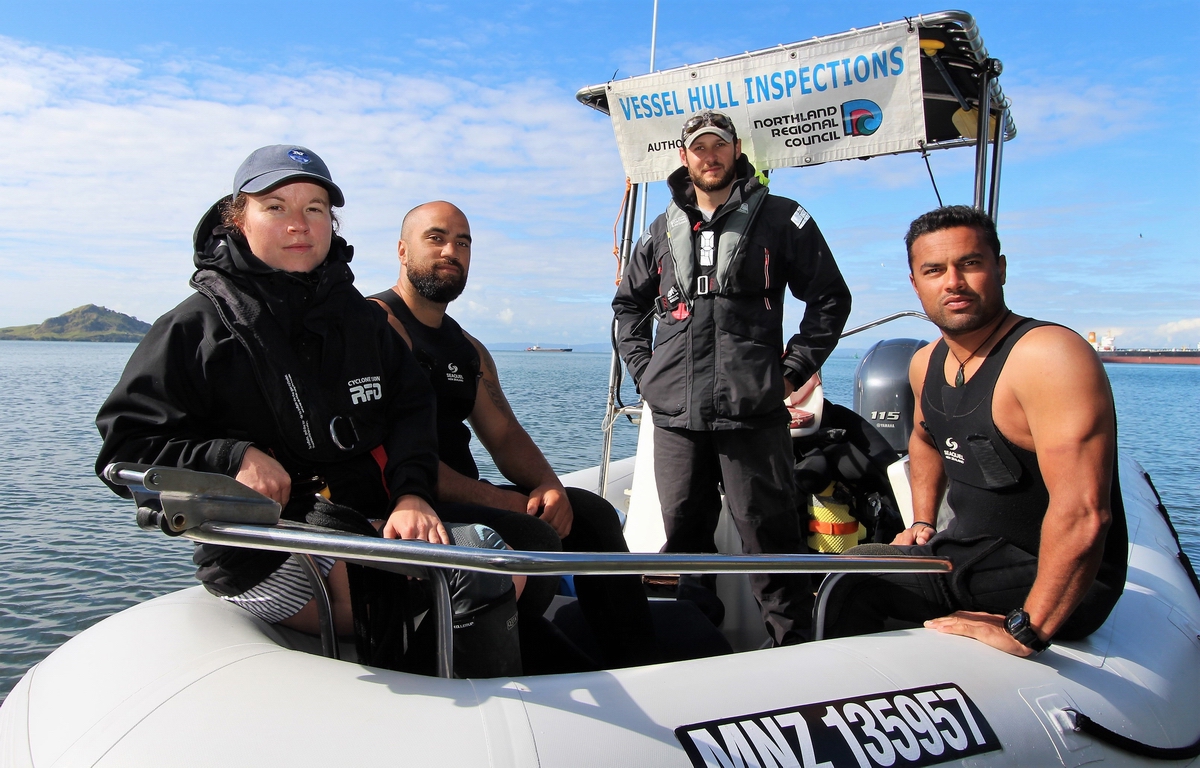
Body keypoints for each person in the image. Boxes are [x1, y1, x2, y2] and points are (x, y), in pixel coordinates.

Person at [95, 146, 521, 676]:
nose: (299, 224)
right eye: (276, 207)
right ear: (238, 217)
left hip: (366, 522)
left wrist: (413, 494)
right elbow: (124, 450)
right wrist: (231, 458)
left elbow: (414, 411)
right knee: (476, 566)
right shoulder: (194, 328)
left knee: (505, 559)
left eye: (315, 208)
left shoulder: (362, 322)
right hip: (265, 546)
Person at [368, 201, 658, 669]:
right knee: (532, 537)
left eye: (463, 243)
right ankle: (461, 662)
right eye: (436, 238)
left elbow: (503, 435)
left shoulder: (468, 348)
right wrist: (501, 501)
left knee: (591, 514)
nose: (451, 251)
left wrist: (549, 486)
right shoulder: (378, 326)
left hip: (459, 498)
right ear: (402, 251)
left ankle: (639, 664)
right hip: (405, 499)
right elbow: (394, 458)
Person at [826, 205, 1127, 655]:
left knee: (852, 583)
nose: (953, 282)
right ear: (915, 284)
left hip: (1046, 575)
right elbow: (925, 437)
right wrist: (923, 521)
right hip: (967, 551)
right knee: (846, 568)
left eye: (970, 263)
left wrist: (1028, 632)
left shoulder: (1048, 356)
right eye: (934, 270)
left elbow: (1084, 513)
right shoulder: (926, 362)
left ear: (999, 269)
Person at [611, 110, 853, 646]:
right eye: (699, 148)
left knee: (771, 544)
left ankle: (792, 656)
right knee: (686, 546)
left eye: (718, 146)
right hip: (676, 419)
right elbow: (628, 305)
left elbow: (830, 299)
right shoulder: (661, 229)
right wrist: (645, 373)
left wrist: (792, 371)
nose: (709, 156)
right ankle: (697, 649)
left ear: (736, 149)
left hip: (753, 416)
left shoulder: (783, 219)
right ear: (684, 157)